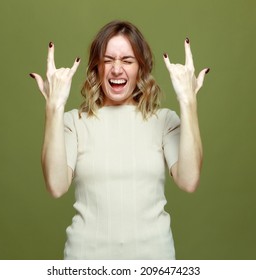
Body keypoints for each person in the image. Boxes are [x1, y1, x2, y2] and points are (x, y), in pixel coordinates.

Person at [30, 20, 210, 260]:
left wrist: (188, 101)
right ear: (97, 68)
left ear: (140, 68)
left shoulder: (164, 121)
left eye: (127, 60)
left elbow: (189, 181)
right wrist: (54, 106)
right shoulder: (74, 122)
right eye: (108, 60)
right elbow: (56, 185)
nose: (116, 69)